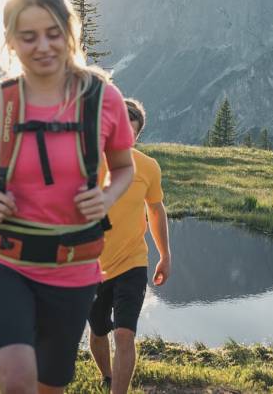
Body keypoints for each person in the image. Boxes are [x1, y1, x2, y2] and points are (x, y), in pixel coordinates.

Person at [0, 0, 135, 394]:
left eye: (53, 33)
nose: (43, 46)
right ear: (10, 41)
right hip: (2, 260)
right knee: (17, 378)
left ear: (70, 32)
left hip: (74, 268)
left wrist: (106, 196)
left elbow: (124, 166)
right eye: (28, 37)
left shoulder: (104, 100)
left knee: (49, 387)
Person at [88, 98, 171, 394]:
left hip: (132, 262)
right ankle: (108, 376)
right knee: (98, 330)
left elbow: (156, 210)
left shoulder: (148, 167)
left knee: (124, 335)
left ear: (136, 137)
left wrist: (164, 255)